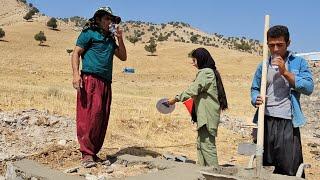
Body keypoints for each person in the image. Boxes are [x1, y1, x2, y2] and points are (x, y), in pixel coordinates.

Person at [251, 25, 314, 176]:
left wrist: (285, 72)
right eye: (271, 45)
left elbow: (308, 87)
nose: (276, 49)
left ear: (288, 43)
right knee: (265, 166)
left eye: (280, 45)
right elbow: (254, 89)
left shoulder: (298, 63)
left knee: (289, 168)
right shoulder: (263, 65)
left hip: (287, 122)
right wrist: (255, 98)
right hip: (265, 120)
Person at [71, 6, 127, 168]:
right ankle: (86, 154)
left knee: (101, 117)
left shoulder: (110, 39)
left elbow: (123, 57)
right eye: (107, 18)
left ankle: (93, 153)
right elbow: (76, 53)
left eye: (111, 19)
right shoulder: (89, 33)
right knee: (89, 115)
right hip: (90, 79)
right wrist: (76, 75)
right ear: (98, 19)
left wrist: (120, 38)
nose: (110, 22)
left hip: (106, 82)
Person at [167, 48, 228, 167]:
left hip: (207, 115)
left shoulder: (206, 72)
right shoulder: (208, 72)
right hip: (204, 115)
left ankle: (214, 174)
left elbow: (193, 89)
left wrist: (176, 99)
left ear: (201, 59)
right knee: (201, 144)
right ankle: (202, 171)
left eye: (194, 60)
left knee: (207, 145)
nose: (193, 63)